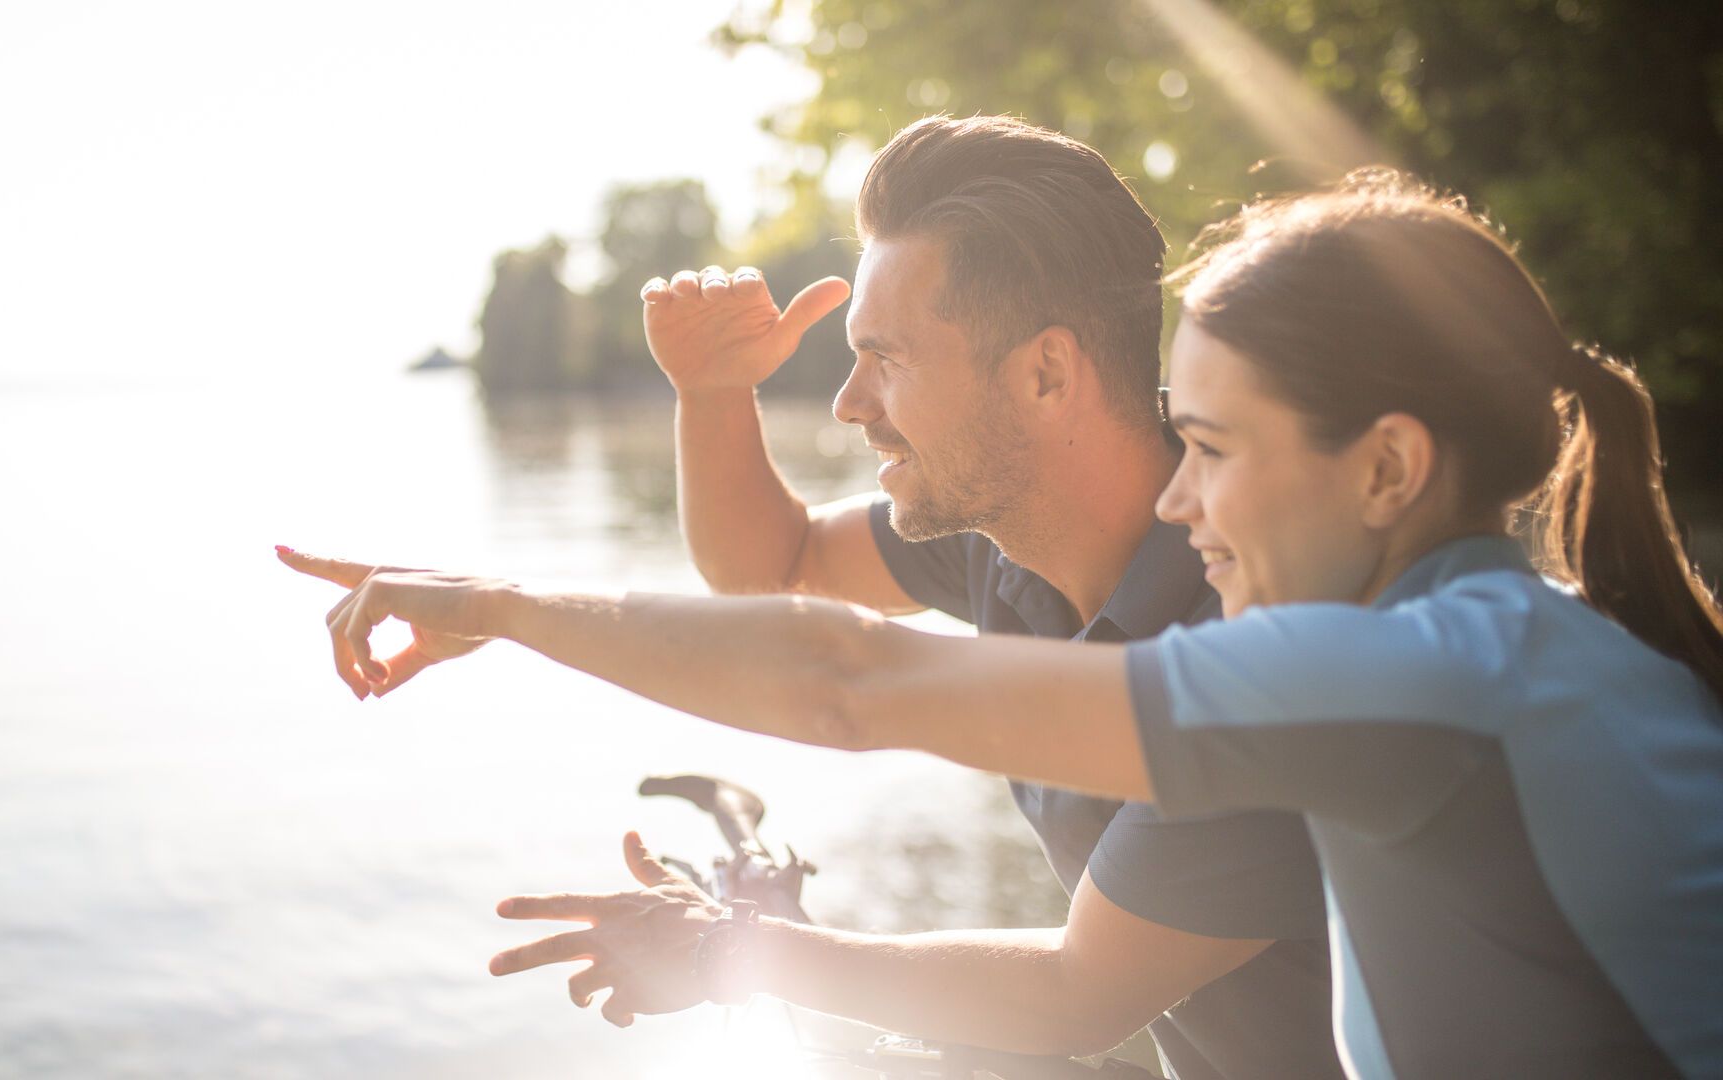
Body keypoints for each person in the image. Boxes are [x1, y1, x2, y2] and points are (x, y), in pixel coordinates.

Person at [277, 173, 1723, 1077]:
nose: (1179, 503)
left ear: (1391, 469)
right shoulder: (1487, 634)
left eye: (1211, 450)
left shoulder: (1389, 674)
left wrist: (501, 606)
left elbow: (849, 687)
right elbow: (787, 584)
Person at [293, 116, 1343, 1078]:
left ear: (1046, 375)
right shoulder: (1004, 535)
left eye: (884, 362)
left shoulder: (1254, 615)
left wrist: (725, 950)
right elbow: (776, 566)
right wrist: (713, 394)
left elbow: (1075, 995)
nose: (848, 406)